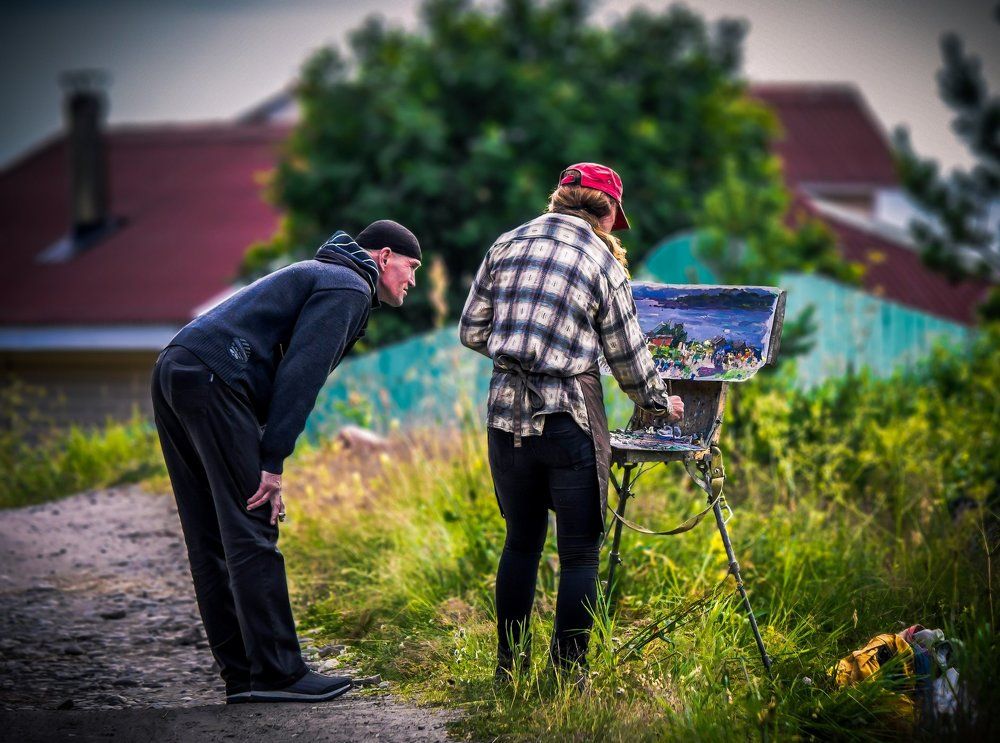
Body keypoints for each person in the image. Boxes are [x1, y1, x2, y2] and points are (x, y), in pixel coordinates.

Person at [150, 220, 421, 704]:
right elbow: (302, 374)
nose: (413, 279)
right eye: (410, 266)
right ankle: (277, 674)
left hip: (179, 368)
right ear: (383, 257)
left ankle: (244, 677)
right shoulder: (349, 286)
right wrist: (271, 462)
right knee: (253, 521)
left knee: (210, 534)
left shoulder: (323, 273)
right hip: (216, 374)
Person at [459, 163, 684, 683]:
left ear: (560, 198)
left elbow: (472, 331)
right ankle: (565, 677)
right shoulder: (601, 262)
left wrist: (518, 347)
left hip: (504, 416)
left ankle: (507, 673)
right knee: (580, 551)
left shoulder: (507, 243)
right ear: (607, 212)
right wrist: (657, 403)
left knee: (521, 540)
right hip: (568, 419)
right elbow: (627, 355)